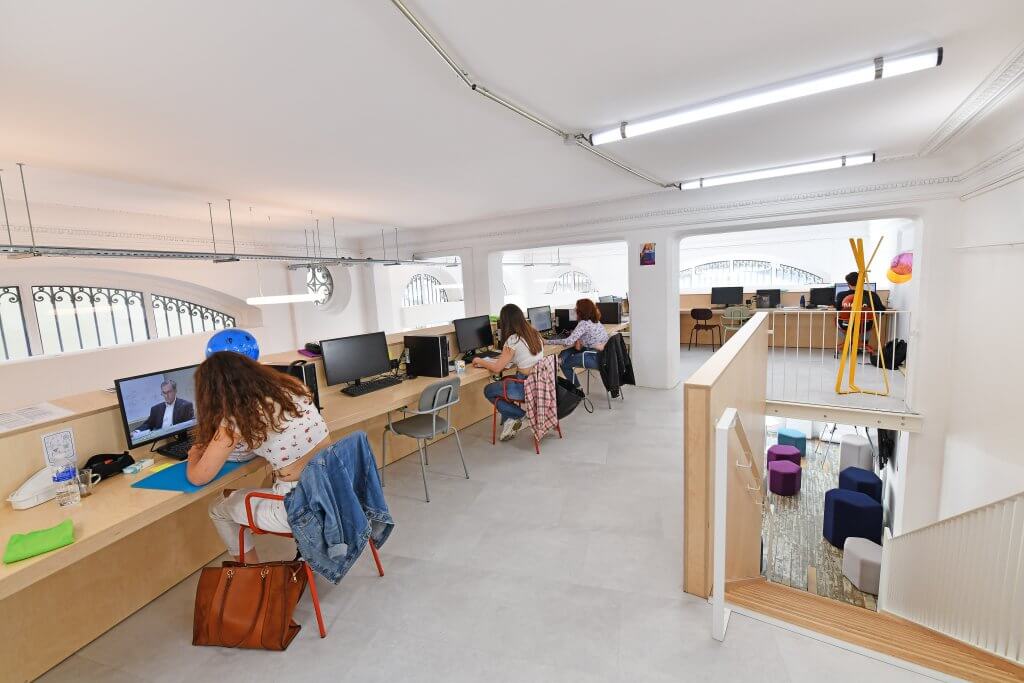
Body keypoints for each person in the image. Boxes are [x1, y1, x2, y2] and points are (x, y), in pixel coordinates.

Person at [186, 352, 329, 563]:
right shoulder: (292, 389)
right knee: (256, 486)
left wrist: (194, 454)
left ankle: (252, 575)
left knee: (217, 509)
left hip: (299, 507)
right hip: (332, 490)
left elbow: (199, 477)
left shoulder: (237, 417)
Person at [477, 304, 544, 442]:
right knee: (504, 380)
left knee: (489, 391)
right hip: (538, 385)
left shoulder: (513, 339)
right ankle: (509, 422)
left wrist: (479, 360)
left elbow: (496, 368)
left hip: (524, 387)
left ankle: (521, 416)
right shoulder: (534, 333)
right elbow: (523, 357)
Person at [547, 298, 609, 388]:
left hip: (594, 358)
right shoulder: (596, 321)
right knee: (571, 349)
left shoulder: (584, 323)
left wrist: (547, 342)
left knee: (564, 365)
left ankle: (578, 389)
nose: (575, 309)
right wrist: (578, 338)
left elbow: (568, 341)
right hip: (604, 356)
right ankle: (560, 359)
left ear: (581, 311)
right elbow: (580, 342)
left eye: (576, 308)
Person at [835, 271, 886, 354]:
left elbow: (838, 310)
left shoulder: (841, 295)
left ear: (848, 283)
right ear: (862, 282)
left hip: (846, 325)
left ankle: (850, 343)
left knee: (839, 320)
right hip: (866, 325)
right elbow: (881, 311)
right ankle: (862, 343)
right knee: (869, 321)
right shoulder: (871, 295)